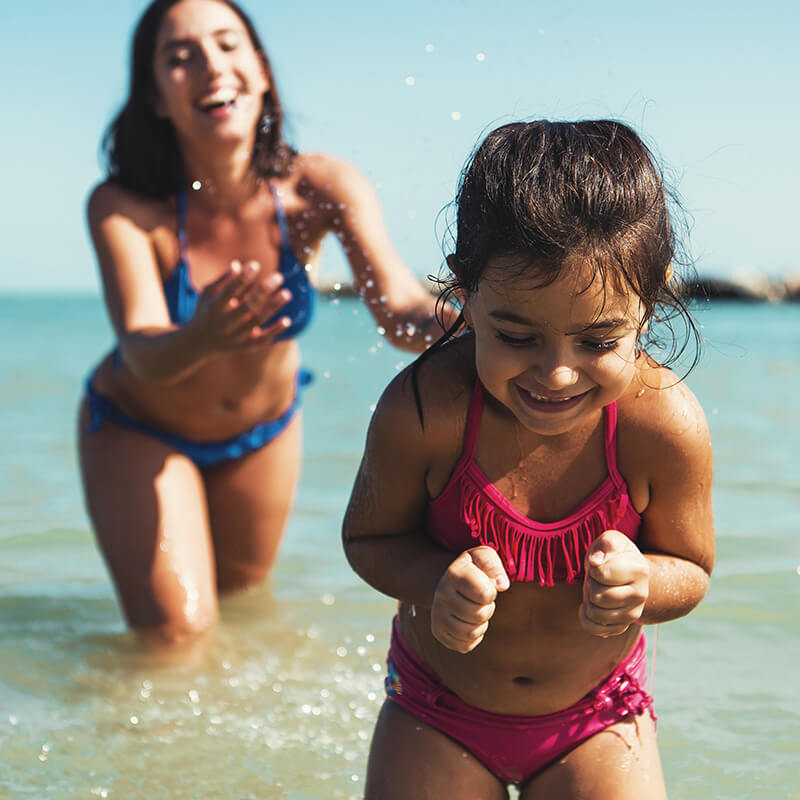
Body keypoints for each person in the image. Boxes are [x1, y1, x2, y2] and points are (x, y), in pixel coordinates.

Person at [343, 120, 715, 799]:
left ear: (651, 300)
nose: (558, 373)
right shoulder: (426, 412)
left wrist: (643, 582)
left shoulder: (663, 425)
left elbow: (690, 569)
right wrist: (436, 581)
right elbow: (368, 540)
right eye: (517, 335)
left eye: (598, 341)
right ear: (465, 291)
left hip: (600, 718)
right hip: (437, 711)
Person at [78, 0, 456, 643]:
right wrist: (202, 336)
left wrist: (482, 320)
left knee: (244, 612)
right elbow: (141, 350)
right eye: (180, 57)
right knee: (177, 633)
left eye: (228, 46)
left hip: (264, 429)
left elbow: (399, 312)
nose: (209, 67)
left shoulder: (319, 188)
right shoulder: (124, 207)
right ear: (156, 98)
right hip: (138, 430)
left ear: (261, 71)